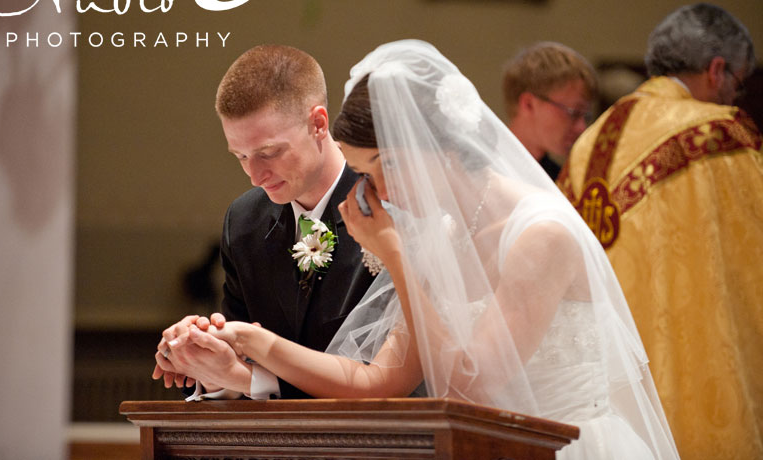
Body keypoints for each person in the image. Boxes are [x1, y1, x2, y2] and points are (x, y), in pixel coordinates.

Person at [172, 40, 679, 459]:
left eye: (372, 172)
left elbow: (472, 387)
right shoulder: (445, 233)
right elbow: (381, 379)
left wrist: (395, 255)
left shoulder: (540, 235)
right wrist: (251, 343)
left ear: (409, 152)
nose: (371, 193)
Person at [557, 3, 763, 459]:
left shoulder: (587, 143)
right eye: (739, 83)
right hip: (694, 376)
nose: (735, 98)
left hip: (599, 401)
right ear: (717, 70)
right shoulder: (718, 134)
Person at [152, 44, 375, 399]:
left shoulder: (382, 206)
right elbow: (241, 368)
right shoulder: (243, 222)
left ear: (318, 124)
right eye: (240, 156)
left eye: (268, 153)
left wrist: (247, 376)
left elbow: (380, 378)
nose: (255, 176)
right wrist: (205, 359)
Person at [504, 42, 598, 179]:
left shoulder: (561, 183)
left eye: (585, 116)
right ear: (529, 104)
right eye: (573, 113)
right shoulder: (479, 168)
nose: (581, 128)